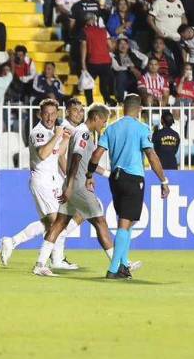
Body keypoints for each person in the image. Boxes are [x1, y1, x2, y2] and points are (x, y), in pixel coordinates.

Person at [32, 102, 127, 277]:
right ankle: (119, 265)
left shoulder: (83, 132)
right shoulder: (83, 133)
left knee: (59, 224)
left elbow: (78, 160)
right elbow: (75, 158)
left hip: (75, 184)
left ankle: (40, 264)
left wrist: (86, 177)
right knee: (101, 223)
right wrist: (70, 184)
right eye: (103, 121)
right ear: (96, 118)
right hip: (78, 187)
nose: (104, 125)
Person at [85, 94, 170, 279]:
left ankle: (123, 265)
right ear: (139, 109)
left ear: (124, 108)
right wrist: (163, 180)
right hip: (133, 178)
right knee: (125, 223)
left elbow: (97, 154)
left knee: (127, 221)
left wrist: (89, 174)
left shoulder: (111, 128)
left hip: (115, 179)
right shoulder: (142, 128)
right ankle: (114, 269)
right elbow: (151, 155)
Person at [0, 98, 74, 269]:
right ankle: (47, 262)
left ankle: (12, 242)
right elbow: (43, 154)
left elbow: (56, 153)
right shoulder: (37, 132)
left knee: (49, 223)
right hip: (42, 181)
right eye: (46, 114)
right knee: (57, 222)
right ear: (40, 114)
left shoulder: (54, 130)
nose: (50, 117)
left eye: (53, 114)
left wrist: (66, 140)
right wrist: (57, 135)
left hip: (53, 181)